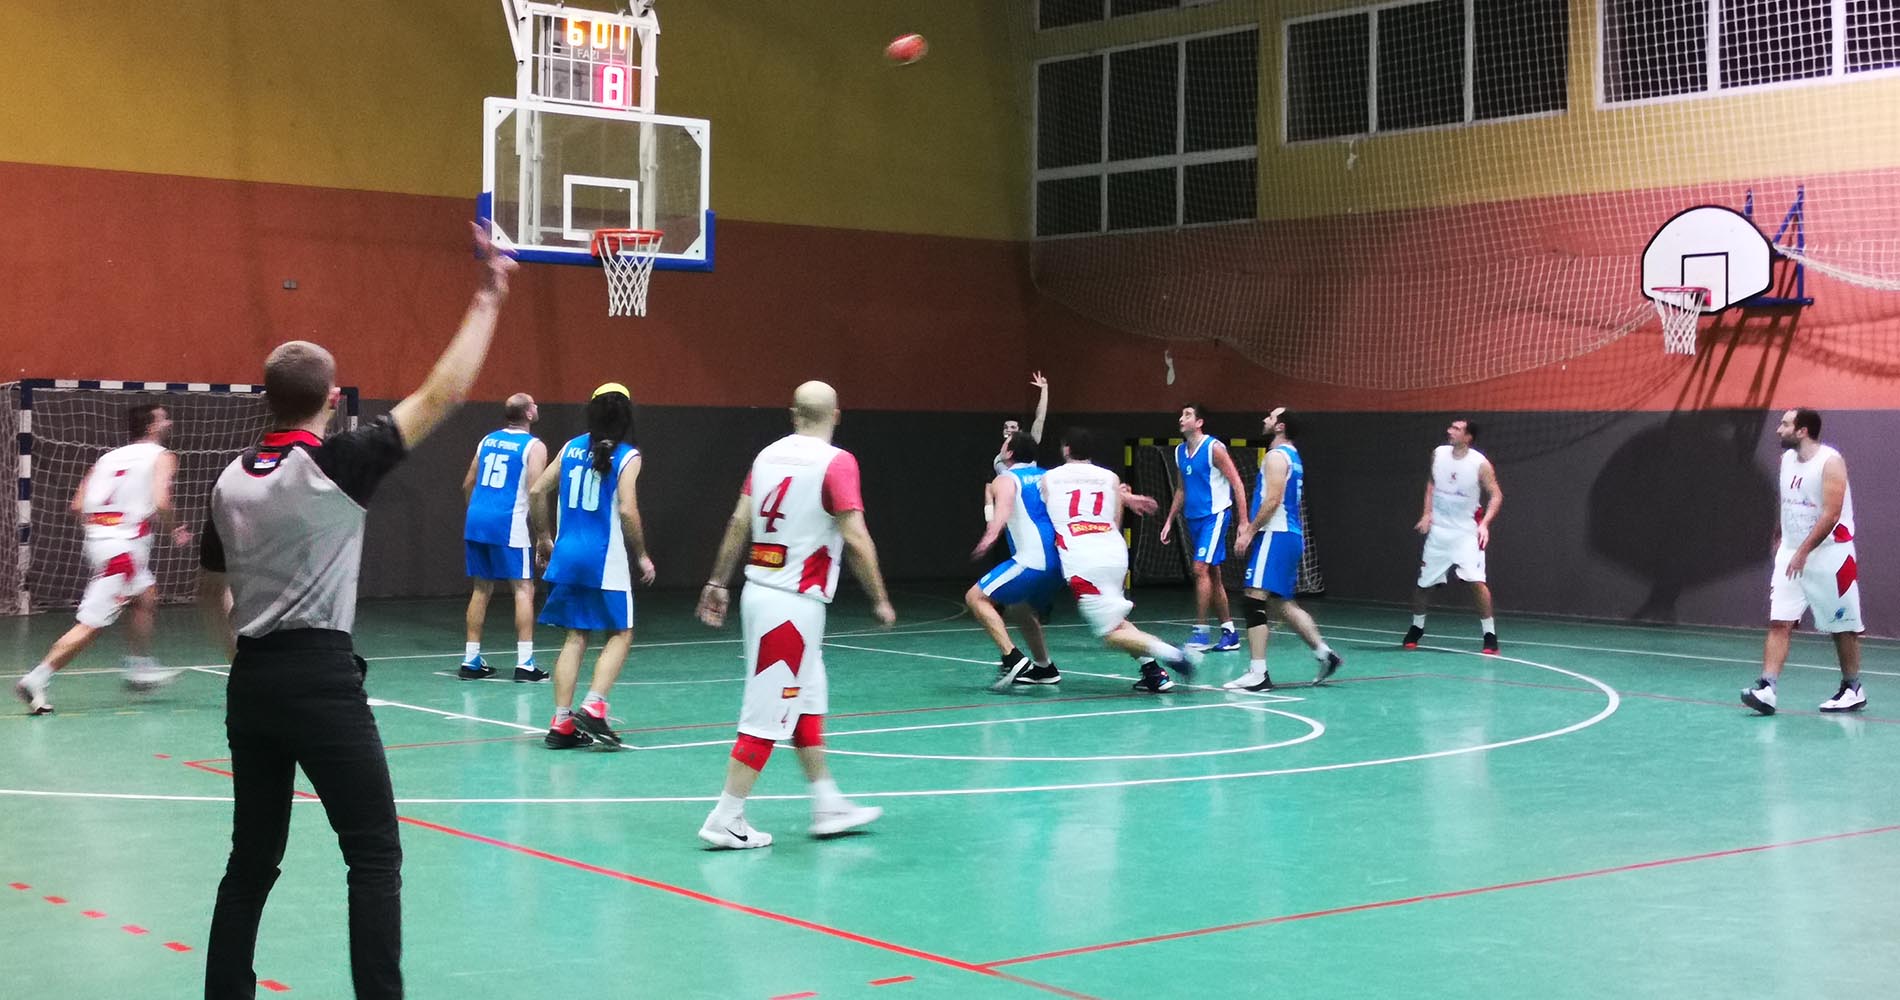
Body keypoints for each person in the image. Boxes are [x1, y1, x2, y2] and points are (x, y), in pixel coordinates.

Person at [199, 222, 516, 999]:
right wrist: (489, 292)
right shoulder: (338, 463)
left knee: (251, 860)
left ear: (267, 398)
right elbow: (443, 394)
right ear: (333, 400)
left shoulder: (228, 480)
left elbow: (213, 590)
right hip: (321, 680)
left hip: (252, 682)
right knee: (373, 855)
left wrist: (244, 658)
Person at [694, 381, 893, 849]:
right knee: (765, 716)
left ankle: (827, 804)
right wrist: (879, 598)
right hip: (791, 608)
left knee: (806, 699)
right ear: (836, 415)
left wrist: (718, 581)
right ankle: (726, 816)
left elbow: (739, 521)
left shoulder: (766, 456)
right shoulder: (836, 462)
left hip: (763, 595)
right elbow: (856, 537)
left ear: (793, 413)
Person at [13, 404, 191, 714]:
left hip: (101, 542)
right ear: (151, 427)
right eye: (163, 418)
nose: (169, 423)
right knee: (92, 623)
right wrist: (176, 529)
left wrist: (104, 530)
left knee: (146, 594)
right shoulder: (162, 456)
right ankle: (36, 678)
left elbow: (77, 505)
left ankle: (139, 666)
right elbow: (162, 501)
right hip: (123, 551)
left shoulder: (108, 458)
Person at [526, 384, 656, 749]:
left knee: (575, 636)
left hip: (566, 554)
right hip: (603, 558)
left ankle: (562, 723)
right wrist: (642, 554)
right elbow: (627, 510)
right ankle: (595, 705)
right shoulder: (627, 456)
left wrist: (543, 537)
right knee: (621, 632)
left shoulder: (570, 447)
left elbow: (536, 491)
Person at [1042, 428, 1202, 693]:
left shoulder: (1049, 478)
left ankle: (1174, 653)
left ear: (1066, 449)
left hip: (1082, 558)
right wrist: (1124, 497)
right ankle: (1153, 673)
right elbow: (1116, 522)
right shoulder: (1110, 478)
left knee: (1110, 634)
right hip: (1113, 551)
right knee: (1115, 619)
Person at [1742, 408, 1867, 715]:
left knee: (1842, 626)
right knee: (1780, 621)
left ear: (1802, 431)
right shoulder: (1786, 460)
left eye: (1785, 424)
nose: (1778, 429)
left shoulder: (1830, 462)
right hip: (1792, 553)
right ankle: (1767, 688)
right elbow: (1787, 499)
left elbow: (1831, 514)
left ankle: (1852, 688)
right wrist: (1779, 532)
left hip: (1832, 555)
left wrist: (1803, 552)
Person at [1228, 409, 1342, 691]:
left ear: (1280, 426)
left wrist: (1249, 531)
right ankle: (1324, 654)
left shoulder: (1276, 457)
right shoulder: (1293, 456)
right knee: (1283, 603)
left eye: (1271, 417)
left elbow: (1273, 500)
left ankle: (1258, 673)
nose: (1265, 419)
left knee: (1253, 600)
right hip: (1288, 535)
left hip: (1275, 534)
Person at [458, 392, 548, 681]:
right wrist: (543, 535)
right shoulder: (533, 446)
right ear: (529, 414)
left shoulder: (487, 441)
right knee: (523, 589)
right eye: (534, 404)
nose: (537, 406)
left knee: (481, 588)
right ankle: (525, 663)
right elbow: (535, 492)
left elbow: (468, 483)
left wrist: (478, 511)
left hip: (477, 520)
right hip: (508, 523)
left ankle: (471, 660)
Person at [968, 431, 1063, 690]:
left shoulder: (1006, 479)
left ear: (1009, 453)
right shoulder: (1048, 476)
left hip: (1031, 560)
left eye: (1005, 443)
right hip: (1058, 563)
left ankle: (1013, 658)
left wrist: (989, 537)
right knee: (1019, 608)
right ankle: (1044, 668)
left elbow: (1003, 510)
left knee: (975, 597)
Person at [1402, 418, 1502, 655]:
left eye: (1456, 429)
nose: (1450, 431)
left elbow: (1496, 495)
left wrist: (1485, 524)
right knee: (1423, 585)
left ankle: (1489, 635)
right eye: (1451, 427)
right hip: (1439, 533)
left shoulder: (1480, 463)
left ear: (1468, 437)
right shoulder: (1438, 454)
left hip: (1467, 533)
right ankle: (1416, 628)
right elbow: (1431, 483)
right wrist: (1427, 513)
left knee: (1477, 583)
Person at [1159, 404, 1246, 652]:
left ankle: (1201, 633)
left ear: (1199, 422)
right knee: (1212, 575)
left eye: (1187, 415)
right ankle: (1229, 633)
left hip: (1214, 516)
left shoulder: (1213, 448)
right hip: (1193, 519)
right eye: (1181, 414)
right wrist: (1169, 520)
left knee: (1199, 569)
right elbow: (1181, 489)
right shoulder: (1179, 451)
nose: (1181, 418)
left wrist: (1244, 522)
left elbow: (1237, 483)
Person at [993, 372, 1049, 476]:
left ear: (1020, 431)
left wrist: (1044, 389)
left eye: (1013, 427)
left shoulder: (1028, 446)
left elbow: (1040, 418)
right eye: (1006, 427)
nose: (1008, 430)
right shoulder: (999, 459)